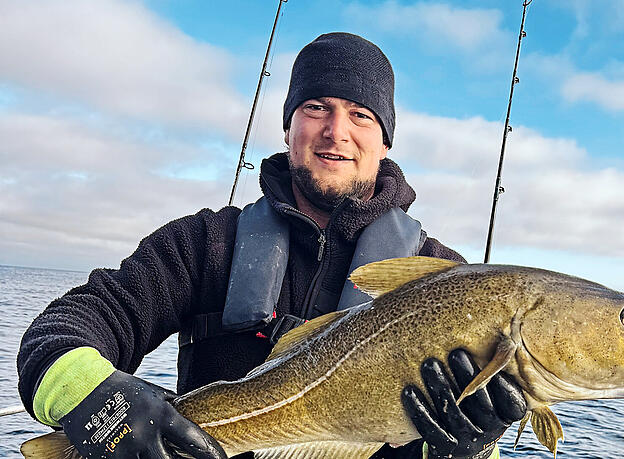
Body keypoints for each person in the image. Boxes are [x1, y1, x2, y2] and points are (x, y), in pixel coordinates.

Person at [17, 32, 526, 459]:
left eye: (361, 115)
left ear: (385, 140)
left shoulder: (442, 275)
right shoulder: (204, 242)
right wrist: (96, 399)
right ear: (288, 127)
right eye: (316, 108)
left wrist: (474, 448)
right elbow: (66, 327)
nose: (336, 131)